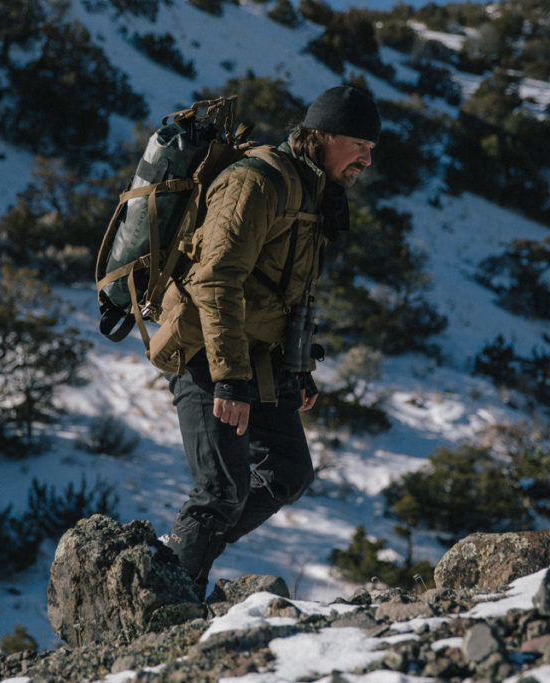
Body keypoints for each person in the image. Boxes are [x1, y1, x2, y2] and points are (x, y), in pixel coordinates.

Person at [148, 85, 381, 600]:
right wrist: (229, 378)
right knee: (220, 492)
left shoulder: (314, 191)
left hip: (252, 355)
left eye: (372, 147)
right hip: (205, 348)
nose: (367, 157)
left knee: (290, 471)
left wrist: (297, 369)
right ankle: (168, 600)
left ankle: (176, 555)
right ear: (321, 135)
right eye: (358, 143)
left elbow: (286, 291)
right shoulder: (257, 182)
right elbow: (216, 280)